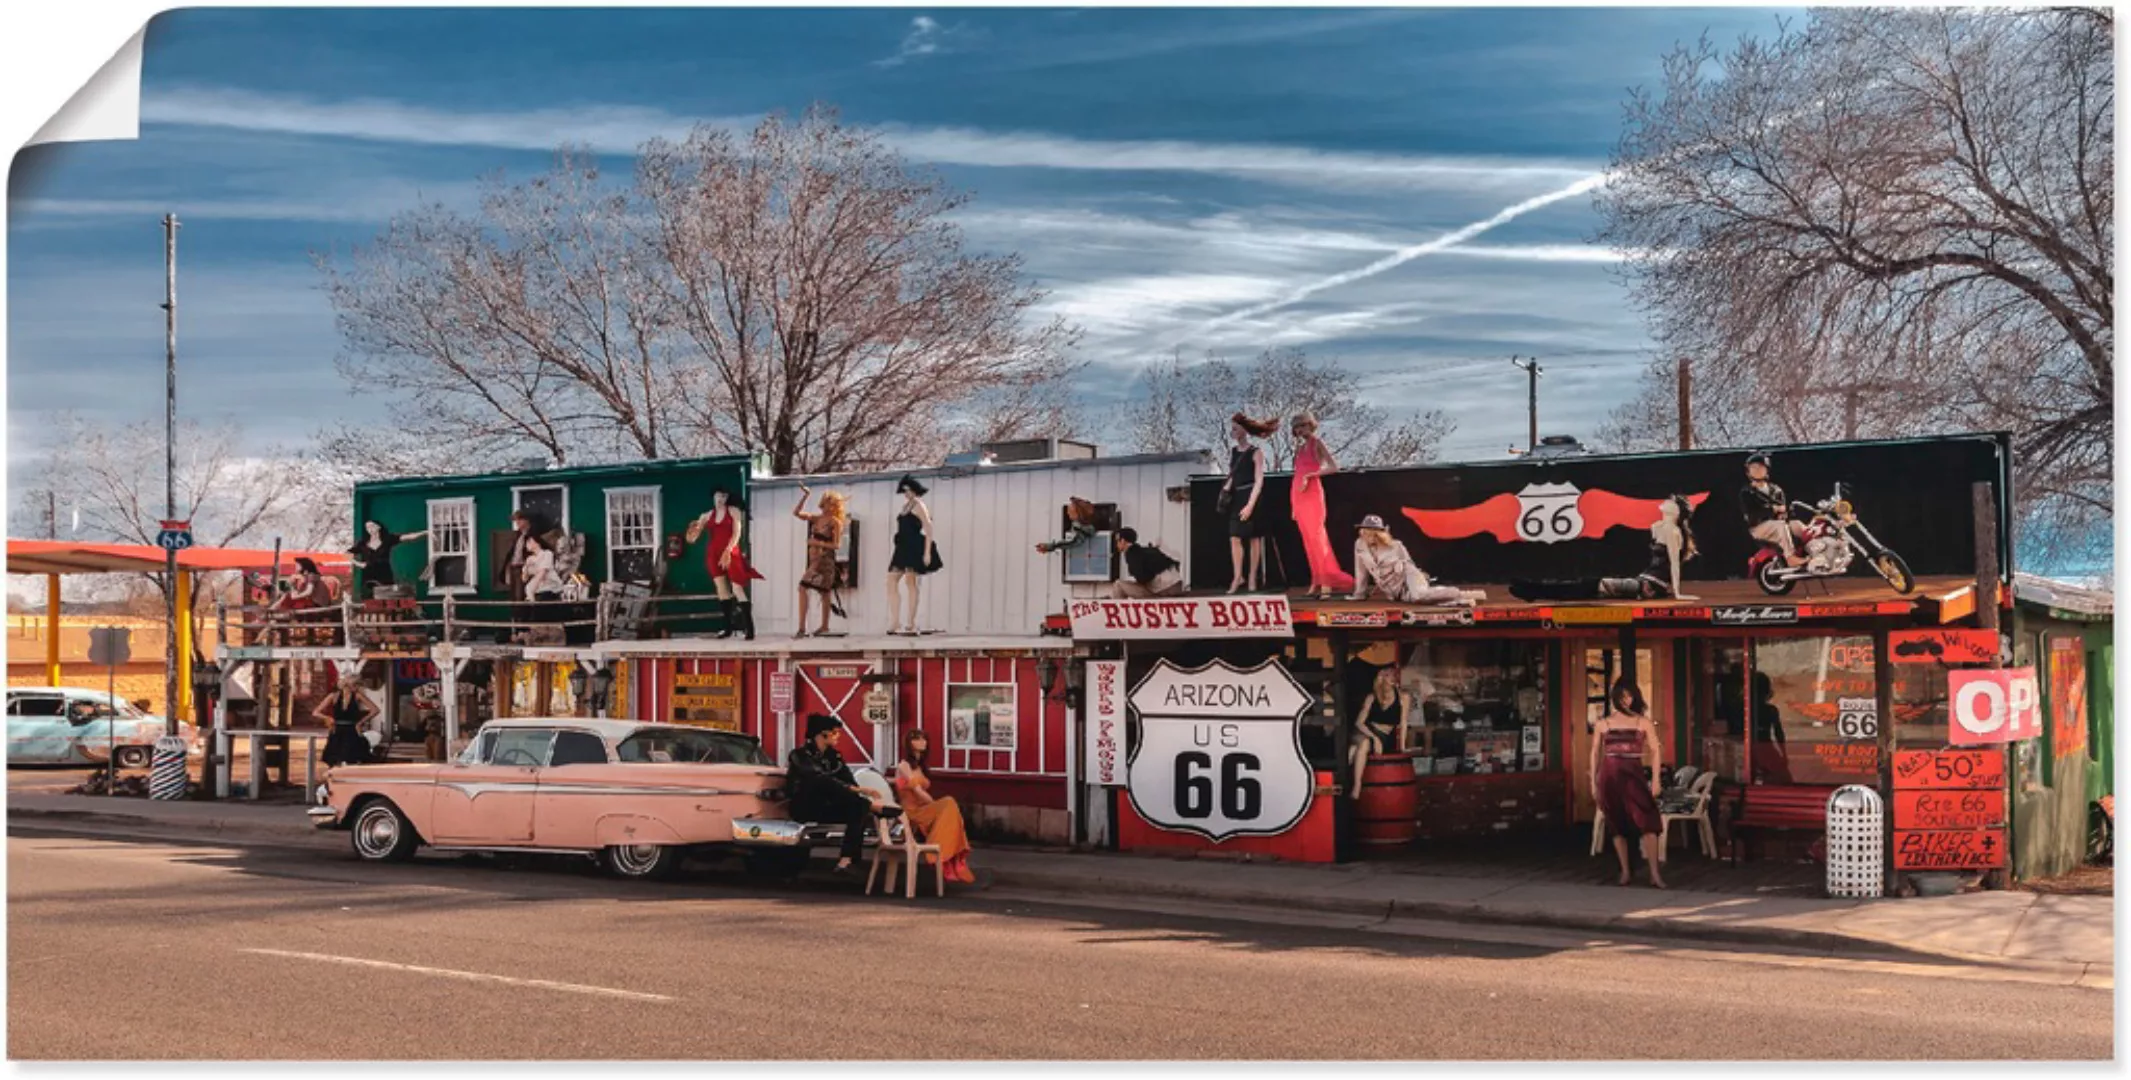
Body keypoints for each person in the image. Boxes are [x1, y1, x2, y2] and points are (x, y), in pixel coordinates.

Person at [784, 714, 899, 874]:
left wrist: (855, 790)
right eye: (835, 733)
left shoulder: (835, 757)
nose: (838, 737)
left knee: (858, 807)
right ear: (822, 734)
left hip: (828, 805)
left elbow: (849, 781)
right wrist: (855, 790)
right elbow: (818, 779)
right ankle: (873, 807)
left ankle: (846, 861)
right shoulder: (799, 755)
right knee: (822, 781)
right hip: (806, 805)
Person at [1589, 679, 1666, 889]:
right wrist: (1593, 781)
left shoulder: (1643, 722)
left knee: (1648, 820)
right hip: (1610, 775)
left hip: (1634, 773)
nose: (1627, 700)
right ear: (1615, 698)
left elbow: (1656, 749)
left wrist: (1656, 779)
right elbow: (1595, 752)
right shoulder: (1603, 724)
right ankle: (1624, 871)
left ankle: (1654, 873)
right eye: (1623, 696)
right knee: (1616, 823)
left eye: (1630, 696)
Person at [1290, 412, 1356, 599]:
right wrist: (1293, 505)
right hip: (1298, 494)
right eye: (1297, 427)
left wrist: (1311, 475)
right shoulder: (1299, 449)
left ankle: (1327, 581)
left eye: (1302, 426)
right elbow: (1297, 475)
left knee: (1318, 538)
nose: (1300, 430)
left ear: (1310, 425)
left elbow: (1334, 467)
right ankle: (1316, 580)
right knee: (1308, 541)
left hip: (1312, 493)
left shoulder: (1316, 443)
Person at [895, 729, 974, 884]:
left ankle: (952, 860)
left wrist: (935, 806)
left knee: (950, 811)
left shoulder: (921, 767)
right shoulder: (904, 765)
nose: (921, 742)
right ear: (909, 744)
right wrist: (935, 805)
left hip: (924, 809)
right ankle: (946, 859)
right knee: (949, 803)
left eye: (924, 739)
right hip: (912, 812)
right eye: (916, 739)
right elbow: (917, 791)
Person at [1349, 516, 1483, 605]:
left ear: (1380, 534)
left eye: (1371, 533)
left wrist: (1416, 575)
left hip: (1408, 575)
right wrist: (1359, 594)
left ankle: (1460, 593)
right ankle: (1461, 599)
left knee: (1418, 595)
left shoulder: (1396, 545)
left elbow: (1409, 564)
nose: (1367, 536)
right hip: (1396, 591)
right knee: (1419, 599)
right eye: (1364, 532)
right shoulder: (1359, 545)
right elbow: (1360, 570)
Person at [686, 487, 762, 641]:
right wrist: (692, 531)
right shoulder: (706, 515)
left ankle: (750, 629)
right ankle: (727, 628)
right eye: (719, 495)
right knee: (722, 590)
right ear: (713, 496)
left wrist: (728, 551)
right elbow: (692, 539)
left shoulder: (733, 511)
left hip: (730, 552)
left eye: (724, 496)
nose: (721, 498)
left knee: (737, 587)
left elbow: (737, 533)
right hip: (713, 554)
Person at [1218, 414, 1276, 594]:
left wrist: (1250, 505)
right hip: (1237, 496)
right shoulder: (1235, 452)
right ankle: (1238, 576)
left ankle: (1252, 577)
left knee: (1254, 538)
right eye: (1232, 429)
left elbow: (1259, 480)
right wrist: (1225, 491)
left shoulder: (1256, 452)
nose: (1233, 432)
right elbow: (1233, 474)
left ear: (1244, 430)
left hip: (1252, 496)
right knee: (1234, 537)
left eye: (1235, 428)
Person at [885, 475, 943, 636]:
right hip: (902, 546)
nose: (905, 493)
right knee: (891, 580)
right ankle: (895, 620)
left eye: (908, 490)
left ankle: (911, 621)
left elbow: (928, 526)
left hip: (913, 545)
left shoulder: (919, 505)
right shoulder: (905, 506)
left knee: (911, 581)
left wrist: (927, 551)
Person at [791, 486, 848, 638]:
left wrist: (818, 543)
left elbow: (837, 545)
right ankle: (810, 626)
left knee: (810, 588)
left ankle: (817, 626)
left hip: (825, 560)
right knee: (820, 591)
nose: (825, 506)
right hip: (814, 559)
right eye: (824, 503)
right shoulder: (817, 518)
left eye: (829, 503)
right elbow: (796, 513)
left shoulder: (835, 522)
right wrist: (805, 496)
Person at [1349, 667, 1409, 800]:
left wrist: (1403, 747)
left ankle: (1348, 777)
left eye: (1394, 674)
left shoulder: (1403, 697)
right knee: (1362, 744)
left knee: (1354, 750)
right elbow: (1359, 723)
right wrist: (1374, 738)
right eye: (1388, 675)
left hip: (1385, 734)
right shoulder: (1372, 697)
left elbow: (1403, 723)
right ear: (1381, 678)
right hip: (1368, 731)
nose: (1392, 677)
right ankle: (1356, 786)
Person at [1741, 451, 1807, 567]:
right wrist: (1773, 509)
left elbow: (1785, 510)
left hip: (1778, 523)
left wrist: (1786, 513)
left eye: (1760, 467)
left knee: (1798, 525)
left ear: (1767, 469)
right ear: (1748, 471)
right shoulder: (1747, 493)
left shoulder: (1776, 490)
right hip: (1758, 527)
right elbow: (1751, 515)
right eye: (1753, 468)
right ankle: (1790, 557)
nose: (1757, 470)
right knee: (1780, 526)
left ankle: (1813, 554)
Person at [348, 521, 427, 599]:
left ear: (379, 527)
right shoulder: (363, 544)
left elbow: (409, 537)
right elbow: (347, 554)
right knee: (371, 601)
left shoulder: (387, 539)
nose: (369, 529)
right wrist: (359, 564)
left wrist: (426, 532)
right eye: (367, 527)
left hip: (385, 574)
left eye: (372, 526)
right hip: (369, 576)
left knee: (389, 598)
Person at [314, 679, 378, 769]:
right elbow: (316, 712)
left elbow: (375, 710)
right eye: (355, 686)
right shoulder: (334, 696)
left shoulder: (357, 696)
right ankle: (334, 779)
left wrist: (360, 723)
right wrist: (328, 718)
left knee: (352, 758)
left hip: (351, 730)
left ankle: (349, 779)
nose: (356, 688)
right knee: (334, 759)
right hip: (338, 730)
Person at [1111, 528, 1185, 598]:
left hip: (1163, 590)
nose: (1116, 545)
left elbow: (1143, 578)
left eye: (1117, 541)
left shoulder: (1132, 554)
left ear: (1123, 541)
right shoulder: (1148, 550)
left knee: (1119, 585)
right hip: (1177, 585)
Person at [1034, 497, 1099, 556]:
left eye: (1070, 511)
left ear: (1078, 513)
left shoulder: (1078, 528)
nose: (1068, 513)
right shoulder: (1085, 526)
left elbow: (1071, 542)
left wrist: (1051, 546)